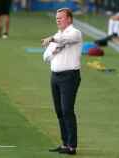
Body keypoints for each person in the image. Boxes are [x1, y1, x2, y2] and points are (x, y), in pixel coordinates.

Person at [41, 8, 82, 155]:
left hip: (70, 76)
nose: (58, 20)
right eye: (57, 18)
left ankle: (72, 146)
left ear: (69, 19)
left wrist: (53, 40)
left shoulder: (75, 32)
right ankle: (65, 143)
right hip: (55, 76)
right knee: (59, 111)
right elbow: (45, 57)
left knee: (67, 110)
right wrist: (54, 50)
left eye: (61, 18)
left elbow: (67, 40)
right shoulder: (57, 35)